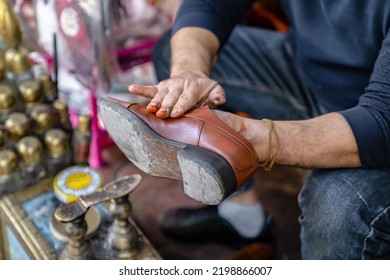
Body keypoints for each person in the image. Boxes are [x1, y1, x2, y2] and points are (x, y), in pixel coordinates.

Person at [124, 0, 390, 259]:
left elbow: (382, 124)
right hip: (314, 76)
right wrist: (188, 72)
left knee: (337, 205)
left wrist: (248, 137)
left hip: (377, 120)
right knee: (178, 50)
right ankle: (243, 220)